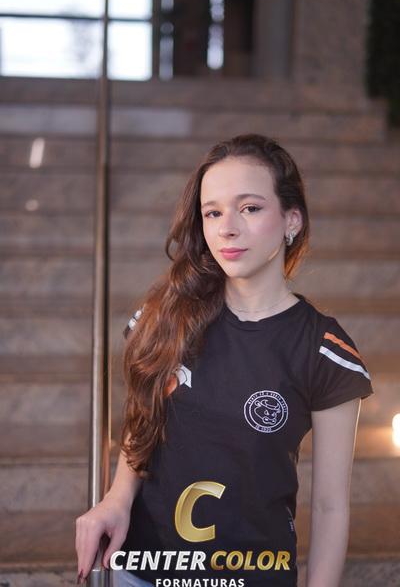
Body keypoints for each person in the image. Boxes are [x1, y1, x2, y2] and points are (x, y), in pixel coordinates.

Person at [75, 133, 374, 587]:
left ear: (291, 220)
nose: (226, 228)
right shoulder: (163, 318)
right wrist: (116, 498)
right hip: (143, 573)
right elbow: (143, 423)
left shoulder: (325, 350)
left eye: (249, 208)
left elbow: (331, 506)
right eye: (212, 212)